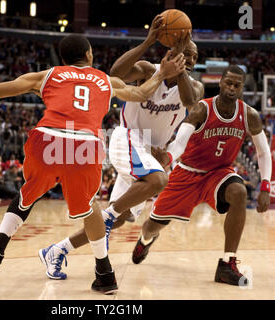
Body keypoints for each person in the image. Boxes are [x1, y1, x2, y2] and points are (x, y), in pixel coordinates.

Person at [0, 34, 185, 294]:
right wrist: (161, 72)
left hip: (48, 139)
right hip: (84, 145)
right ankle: (104, 274)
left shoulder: (47, 75)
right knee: (89, 209)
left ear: (64, 59)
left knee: (27, 195)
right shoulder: (105, 80)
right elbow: (141, 94)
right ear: (89, 55)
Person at [39, 15, 204, 280]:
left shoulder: (194, 85)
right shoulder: (150, 70)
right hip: (129, 138)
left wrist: (181, 66)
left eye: (193, 56)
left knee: (118, 218)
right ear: (170, 49)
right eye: (186, 52)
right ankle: (105, 220)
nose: (190, 59)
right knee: (156, 181)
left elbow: (190, 102)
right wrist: (149, 40)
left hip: (154, 152)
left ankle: (57, 250)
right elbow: (113, 75)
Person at [132, 65, 271, 286]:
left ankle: (227, 263)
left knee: (239, 192)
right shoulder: (201, 109)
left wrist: (265, 186)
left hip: (219, 174)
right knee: (153, 225)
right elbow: (180, 142)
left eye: (237, 85)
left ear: (242, 87)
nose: (232, 88)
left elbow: (263, 152)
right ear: (220, 82)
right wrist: (168, 157)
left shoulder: (249, 115)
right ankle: (146, 239)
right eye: (229, 83)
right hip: (186, 174)